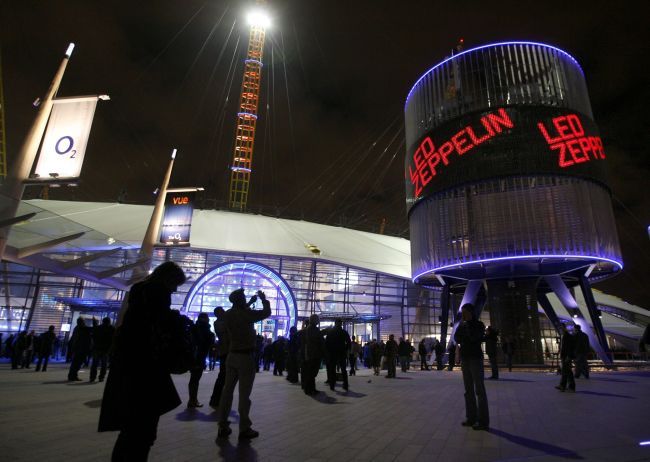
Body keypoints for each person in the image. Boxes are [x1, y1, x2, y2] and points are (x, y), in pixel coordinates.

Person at [98, 261, 187, 461]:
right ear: (168, 279)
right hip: (147, 370)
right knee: (144, 429)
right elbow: (158, 327)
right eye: (174, 285)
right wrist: (174, 321)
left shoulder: (138, 293)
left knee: (131, 429)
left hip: (128, 366)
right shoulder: (158, 294)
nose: (174, 290)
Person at [217, 289, 271, 440]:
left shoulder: (228, 314)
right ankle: (244, 428)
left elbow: (240, 312)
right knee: (244, 394)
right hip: (245, 357)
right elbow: (265, 313)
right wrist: (263, 299)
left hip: (231, 355)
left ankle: (222, 425)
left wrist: (250, 303)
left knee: (227, 392)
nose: (245, 298)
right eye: (243, 297)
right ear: (239, 300)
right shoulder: (245, 314)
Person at [454, 303, 489, 431]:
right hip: (465, 358)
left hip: (475, 358)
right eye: (462, 312)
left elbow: (475, 338)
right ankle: (471, 417)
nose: (463, 315)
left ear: (471, 312)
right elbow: (456, 337)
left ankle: (483, 421)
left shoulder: (479, 325)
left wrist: (466, 328)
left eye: (465, 312)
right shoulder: (462, 325)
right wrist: (463, 330)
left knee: (479, 390)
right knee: (468, 390)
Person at [188, 312, 215, 408]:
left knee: (193, 379)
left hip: (192, 356)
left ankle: (192, 400)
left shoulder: (194, 328)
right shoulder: (205, 330)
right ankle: (193, 400)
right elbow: (209, 344)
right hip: (199, 357)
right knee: (195, 379)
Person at [209, 307, 230, 409]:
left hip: (224, 352)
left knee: (223, 376)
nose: (225, 312)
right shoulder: (220, 323)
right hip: (226, 352)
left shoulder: (218, 323)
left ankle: (217, 399)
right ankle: (216, 399)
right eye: (222, 311)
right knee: (223, 376)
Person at [324, 318, 351, 391]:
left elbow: (326, 343)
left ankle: (332, 385)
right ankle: (345, 384)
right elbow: (349, 342)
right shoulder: (344, 332)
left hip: (332, 354)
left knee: (332, 369)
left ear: (335, 323)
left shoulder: (330, 332)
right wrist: (345, 349)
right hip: (341, 353)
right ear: (341, 324)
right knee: (343, 369)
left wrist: (328, 352)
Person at [302, 314, 325, 396]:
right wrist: (324, 332)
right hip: (313, 354)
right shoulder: (312, 329)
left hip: (313, 354)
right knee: (311, 373)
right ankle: (309, 389)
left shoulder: (311, 328)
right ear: (314, 320)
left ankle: (311, 388)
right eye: (317, 319)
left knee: (311, 373)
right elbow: (316, 338)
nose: (318, 321)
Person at [90, 317, 115, 383]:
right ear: (109, 322)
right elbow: (113, 340)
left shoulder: (98, 328)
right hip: (106, 350)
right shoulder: (111, 329)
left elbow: (93, 337)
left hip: (97, 348)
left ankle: (92, 378)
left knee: (94, 364)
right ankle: (101, 377)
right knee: (104, 365)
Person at [556, 324, 576, 392]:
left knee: (567, 371)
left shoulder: (568, 336)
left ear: (564, 328)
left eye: (561, 328)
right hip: (563, 356)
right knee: (566, 371)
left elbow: (570, 347)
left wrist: (569, 356)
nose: (560, 329)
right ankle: (565, 386)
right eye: (559, 328)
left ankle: (567, 386)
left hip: (566, 356)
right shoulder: (562, 336)